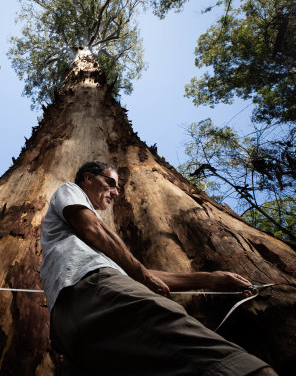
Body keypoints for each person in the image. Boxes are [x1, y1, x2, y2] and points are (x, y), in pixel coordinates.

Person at [40, 161, 277, 375]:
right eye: (110, 183)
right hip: (96, 289)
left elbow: (139, 275)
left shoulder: (90, 248)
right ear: (88, 178)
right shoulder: (71, 191)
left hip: (70, 330)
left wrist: (211, 279)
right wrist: (141, 275)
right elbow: (99, 234)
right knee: (233, 365)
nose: (116, 193)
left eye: (118, 188)